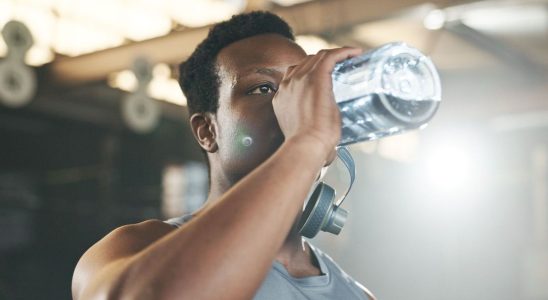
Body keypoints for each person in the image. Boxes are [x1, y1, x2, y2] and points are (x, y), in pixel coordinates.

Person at [72, 11, 375, 300]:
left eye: (302, 87)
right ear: (207, 130)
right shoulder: (132, 248)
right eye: (263, 88)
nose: (292, 104)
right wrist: (306, 140)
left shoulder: (358, 295)